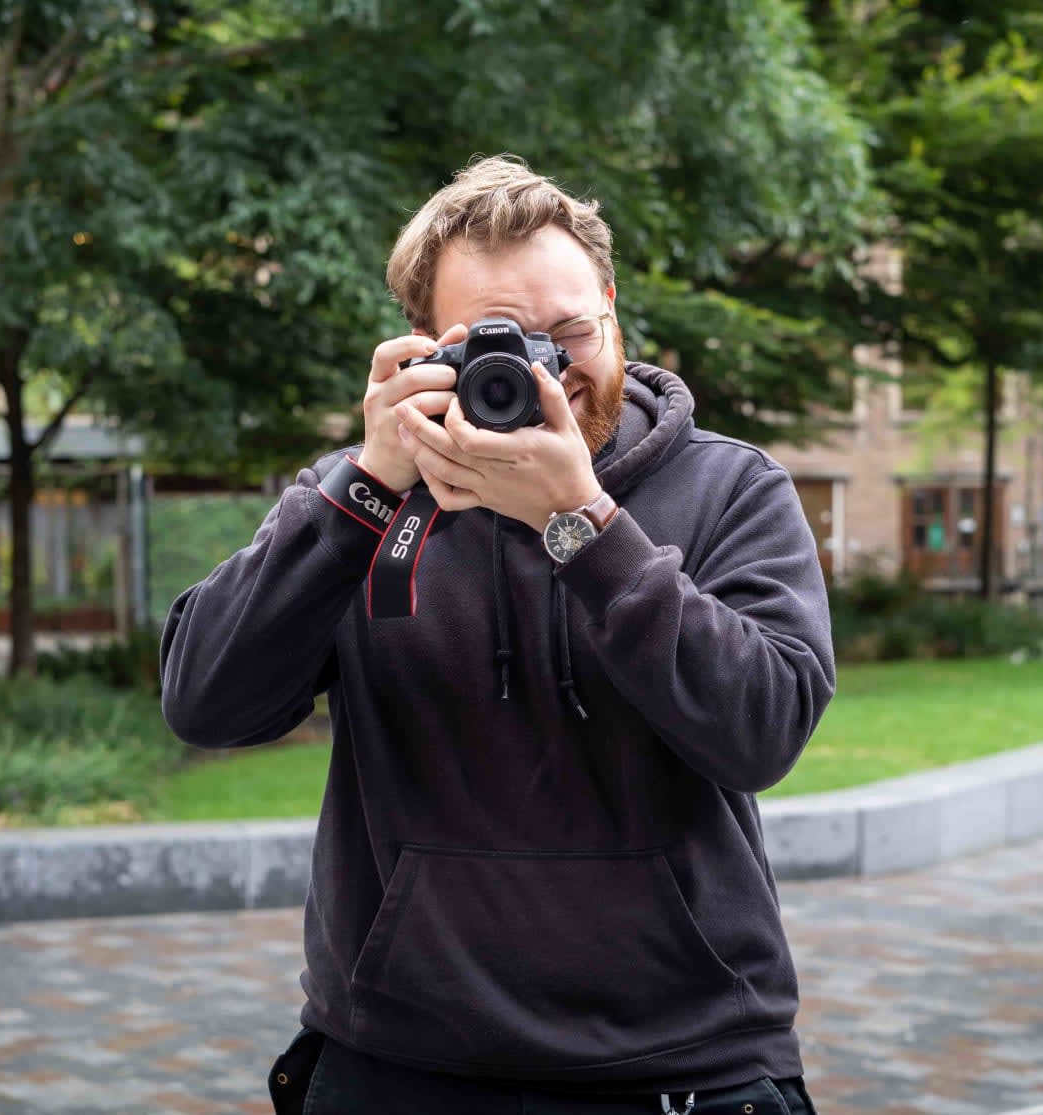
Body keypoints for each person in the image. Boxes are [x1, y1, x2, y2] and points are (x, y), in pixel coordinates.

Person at [158, 154, 836, 1115]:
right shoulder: (361, 498)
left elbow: (764, 729)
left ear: (612, 305)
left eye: (568, 331)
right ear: (425, 346)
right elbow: (207, 702)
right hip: (399, 1062)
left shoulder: (731, 488)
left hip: (681, 1063)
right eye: (501, 343)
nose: (545, 368)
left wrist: (582, 522)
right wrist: (363, 489)